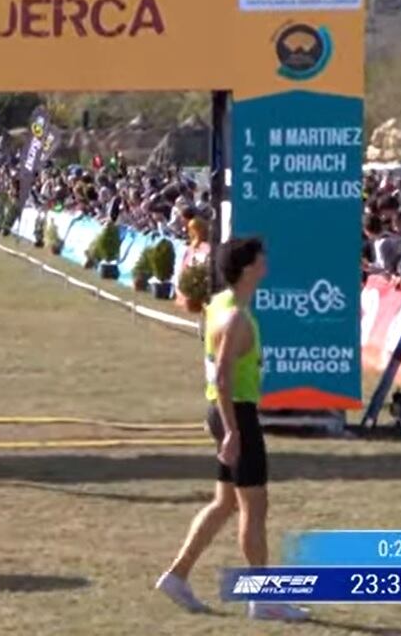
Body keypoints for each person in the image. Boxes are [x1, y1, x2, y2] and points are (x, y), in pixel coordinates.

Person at [155, 237, 308, 622]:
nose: (266, 261)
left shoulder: (222, 304)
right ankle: (263, 597)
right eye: (261, 257)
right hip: (234, 415)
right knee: (254, 508)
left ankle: (177, 575)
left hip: (223, 413)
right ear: (247, 268)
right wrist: (233, 432)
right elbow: (223, 379)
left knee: (225, 503)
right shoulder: (236, 317)